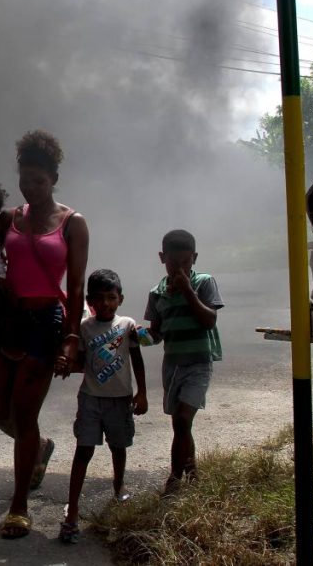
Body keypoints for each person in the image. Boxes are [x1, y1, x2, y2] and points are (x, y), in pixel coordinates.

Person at [0, 130, 89, 539]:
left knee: (24, 414)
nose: (31, 187)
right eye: (25, 180)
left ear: (54, 178)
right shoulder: (8, 218)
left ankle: (18, 505)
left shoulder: (72, 223)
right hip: (6, 321)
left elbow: (76, 287)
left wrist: (71, 336)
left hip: (45, 323)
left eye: (39, 181)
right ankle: (39, 447)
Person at [56, 269, 147, 544]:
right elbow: (82, 363)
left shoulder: (127, 324)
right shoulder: (84, 327)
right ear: (90, 300)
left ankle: (119, 488)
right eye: (99, 298)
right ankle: (72, 510)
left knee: (118, 448)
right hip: (91, 400)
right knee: (83, 451)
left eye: (111, 297)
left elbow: (138, 358)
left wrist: (142, 393)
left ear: (120, 298)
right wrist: (63, 364)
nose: (106, 303)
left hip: (120, 400)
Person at [144, 229, 223, 494]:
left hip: (199, 363)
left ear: (195, 258)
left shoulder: (204, 282)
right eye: (172, 263)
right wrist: (136, 336)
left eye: (185, 263)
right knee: (180, 423)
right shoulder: (157, 293)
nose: (179, 269)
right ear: (161, 258)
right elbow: (156, 332)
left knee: (182, 420)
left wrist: (187, 290)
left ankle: (175, 480)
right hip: (173, 364)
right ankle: (192, 471)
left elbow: (209, 320)